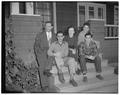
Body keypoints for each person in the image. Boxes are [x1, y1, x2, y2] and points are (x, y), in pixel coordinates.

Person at [34, 21, 57, 92]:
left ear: (52, 27)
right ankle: (44, 86)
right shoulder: (40, 35)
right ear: (44, 27)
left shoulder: (55, 35)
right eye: (46, 26)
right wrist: (38, 56)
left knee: (47, 69)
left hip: (51, 55)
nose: (48, 27)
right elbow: (36, 46)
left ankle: (50, 85)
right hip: (42, 54)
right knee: (42, 68)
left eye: (49, 26)